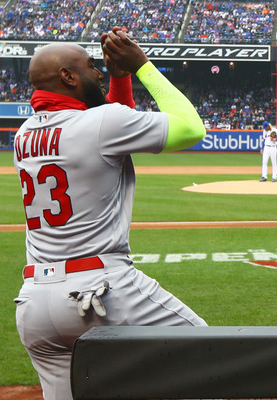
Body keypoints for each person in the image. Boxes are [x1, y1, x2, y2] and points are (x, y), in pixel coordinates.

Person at [13, 28, 207, 400]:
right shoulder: (100, 125)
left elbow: (108, 122)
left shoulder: (23, 134)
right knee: (213, 353)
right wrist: (142, 67)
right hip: (100, 289)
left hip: (35, 300)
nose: (99, 71)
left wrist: (118, 79)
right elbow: (190, 128)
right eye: (89, 66)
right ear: (68, 77)